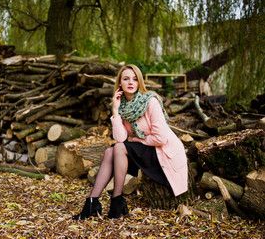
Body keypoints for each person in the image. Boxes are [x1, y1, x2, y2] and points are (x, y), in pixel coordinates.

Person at [73, 64, 188, 220]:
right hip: (146, 150)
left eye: (135, 79)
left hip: (163, 153)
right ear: (120, 83)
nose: (131, 82)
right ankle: (92, 202)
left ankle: (116, 200)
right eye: (126, 79)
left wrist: (136, 139)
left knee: (119, 149)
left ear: (139, 82)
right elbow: (120, 138)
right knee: (110, 151)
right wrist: (115, 111)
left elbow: (161, 138)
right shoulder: (123, 107)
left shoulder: (150, 101)